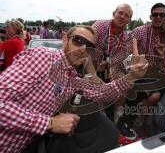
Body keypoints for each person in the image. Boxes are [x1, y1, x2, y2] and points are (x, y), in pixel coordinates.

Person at [0, 25, 148, 153]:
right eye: (78, 40)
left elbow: (103, 92)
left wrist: (132, 77)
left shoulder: (73, 78)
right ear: (65, 40)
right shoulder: (43, 57)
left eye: (89, 46)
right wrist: (50, 123)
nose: (83, 48)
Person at [92, 4, 137, 139]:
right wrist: (94, 68)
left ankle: (118, 117)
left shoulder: (127, 38)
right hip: (90, 65)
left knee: (126, 80)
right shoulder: (100, 26)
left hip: (109, 68)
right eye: (120, 13)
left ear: (129, 21)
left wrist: (111, 67)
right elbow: (86, 48)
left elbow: (122, 60)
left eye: (127, 15)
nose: (123, 17)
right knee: (95, 83)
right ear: (113, 13)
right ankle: (102, 121)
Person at [130, 3, 165, 130]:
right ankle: (140, 117)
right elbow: (128, 44)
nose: (158, 17)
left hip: (160, 73)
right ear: (150, 17)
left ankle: (161, 119)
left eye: (162, 15)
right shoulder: (140, 31)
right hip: (142, 72)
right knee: (155, 96)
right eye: (155, 14)